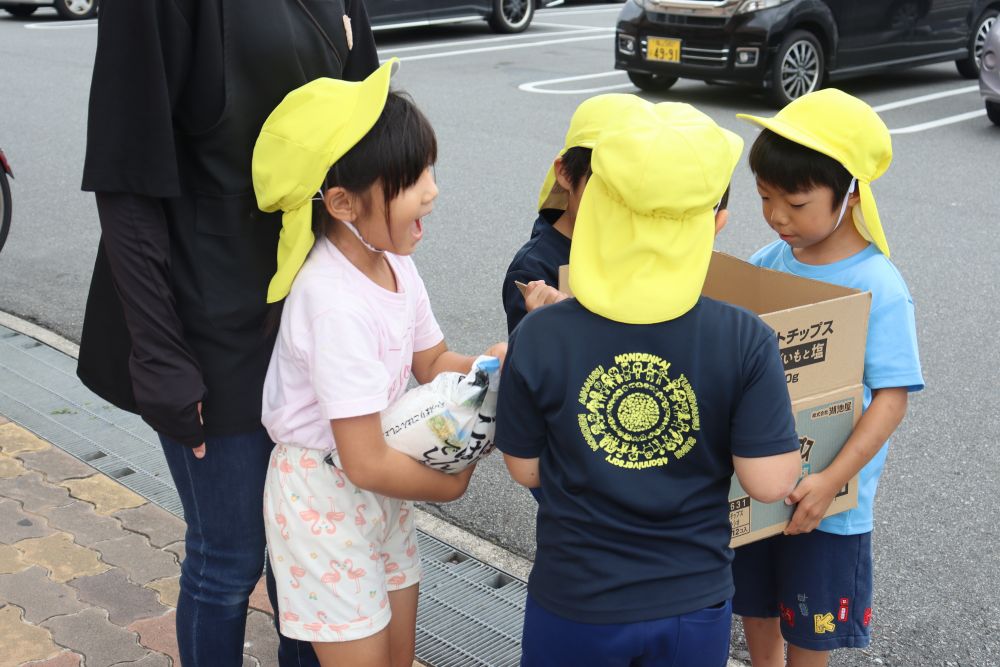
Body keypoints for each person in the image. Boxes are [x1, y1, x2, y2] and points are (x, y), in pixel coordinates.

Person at [76, 0, 378, 664]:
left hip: (309, 311)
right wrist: (159, 357)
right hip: (202, 316)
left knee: (308, 547)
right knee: (229, 554)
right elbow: (126, 183)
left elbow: (365, 137)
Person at [494, 100, 803, 667]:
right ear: (715, 222)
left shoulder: (540, 334)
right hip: (692, 600)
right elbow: (768, 480)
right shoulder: (745, 339)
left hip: (575, 599)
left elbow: (525, 468)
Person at [252, 60, 506, 667]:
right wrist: (451, 485)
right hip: (324, 498)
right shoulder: (333, 301)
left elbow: (434, 361)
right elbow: (362, 459)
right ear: (342, 202)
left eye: (429, 171)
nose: (432, 190)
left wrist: (500, 362)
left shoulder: (395, 264)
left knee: (397, 655)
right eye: (412, 177)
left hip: (381, 486)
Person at [731, 89, 925, 667]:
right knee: (755, 602)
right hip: (759, 483)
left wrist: (832, 479)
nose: (777, 216)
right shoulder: (770, 261)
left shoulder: (879, 285)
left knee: (811, 627)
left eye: (795, 201)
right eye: (765, 197)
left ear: (850, 195)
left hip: (831, 498)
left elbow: (891, 399)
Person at [500, 93, 644, 334]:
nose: (622, 206)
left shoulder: (635, 243)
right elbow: (526, 366)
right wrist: (545, 326)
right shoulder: (535, 272)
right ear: (566, 173)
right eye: (606, 189)